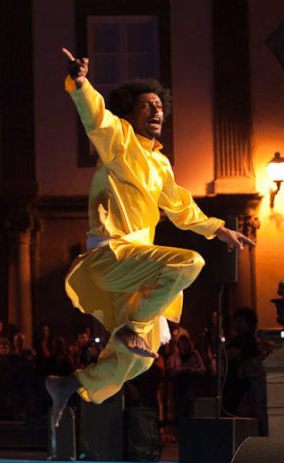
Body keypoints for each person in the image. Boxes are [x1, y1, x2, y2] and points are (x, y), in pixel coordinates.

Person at [46, 48, 254, 428]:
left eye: (160, 106)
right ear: (131, 113)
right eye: (147, 106)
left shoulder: (160, 162)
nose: (157, 112)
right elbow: (96, 117)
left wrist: (219, 228)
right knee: (190, 262)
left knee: (141, 358)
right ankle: (129, 327)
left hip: (138, 267)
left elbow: (180, 206)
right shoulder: (119, 140)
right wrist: (79, 83)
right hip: (112, 257)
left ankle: (70, 385)